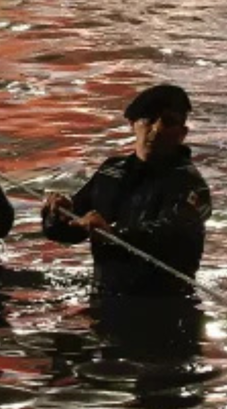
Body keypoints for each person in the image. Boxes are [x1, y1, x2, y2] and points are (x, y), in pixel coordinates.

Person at [41, 84, 213, 296]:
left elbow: (170, 236)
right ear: (133, 124)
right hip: (105, 296)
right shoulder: (110, 172)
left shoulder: (192, 186)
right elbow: (69, 231)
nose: (157, 129)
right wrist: (56, 214)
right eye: (149, 119)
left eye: (168, 122)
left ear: (182, 133)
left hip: (167, 306)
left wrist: (112, 234)